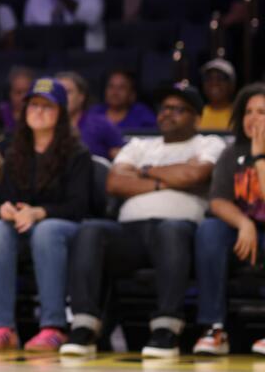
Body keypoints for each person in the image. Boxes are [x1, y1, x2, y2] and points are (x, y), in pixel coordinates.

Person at [61, 83, 226, 358]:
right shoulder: (140, 145)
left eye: (178, 109)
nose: (168, 113)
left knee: (170, 230)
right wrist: (167, 180)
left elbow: (194, 176)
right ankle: (84, 326)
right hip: (131, 231)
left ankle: (166, 329)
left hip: (181, 230)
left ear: (197, 118)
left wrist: (143, 171)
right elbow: (114, 182)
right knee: (90, 230)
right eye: (165, 108)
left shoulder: (209, 143)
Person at [0, 78, 92, 352]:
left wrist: (40, 212)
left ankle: (53, 326)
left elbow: (80, 206)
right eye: (33, 105)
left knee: (46, 231)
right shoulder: (14, 151)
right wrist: (5, 208)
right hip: (23, 227)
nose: (38, 111)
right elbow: (4, 196)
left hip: (65, 230)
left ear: (61, 113)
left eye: (47, 106)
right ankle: (2, 327)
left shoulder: (77, 154)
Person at [192, 83, 265, 356]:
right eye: (248, 111)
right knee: (210, 230)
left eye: (262, 112)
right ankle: (214, 328)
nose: (253, 118)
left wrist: (260, 156)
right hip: (242, 237)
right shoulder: (231, 153)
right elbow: (218, 201)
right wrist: (244, 223)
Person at [56, 71, 123, 160]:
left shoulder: (102, 124)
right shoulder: (43, 126)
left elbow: (123, 160)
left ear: (81, 97)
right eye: (58, 92)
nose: (62, 97)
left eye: (68, 92)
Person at [86, 69, 156, 133]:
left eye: (122, 87)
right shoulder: (95, 112)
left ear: (132, 94)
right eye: (111, 86)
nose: (115, 92)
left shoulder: (142, 114)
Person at [199, 58, 236, 132]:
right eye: (209, 78)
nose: (214, 83)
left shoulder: (239, 116)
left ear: (231, 85)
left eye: (220, 78)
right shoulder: (195, 115)